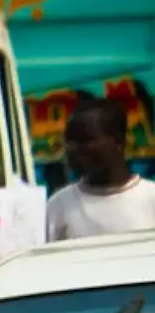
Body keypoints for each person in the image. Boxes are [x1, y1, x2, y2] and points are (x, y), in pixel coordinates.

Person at [47, 97, 155, 240]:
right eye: (69, 142)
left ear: (119, 141)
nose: (72, 149)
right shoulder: (58, 205)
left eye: (85, 140)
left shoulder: (150, 198)